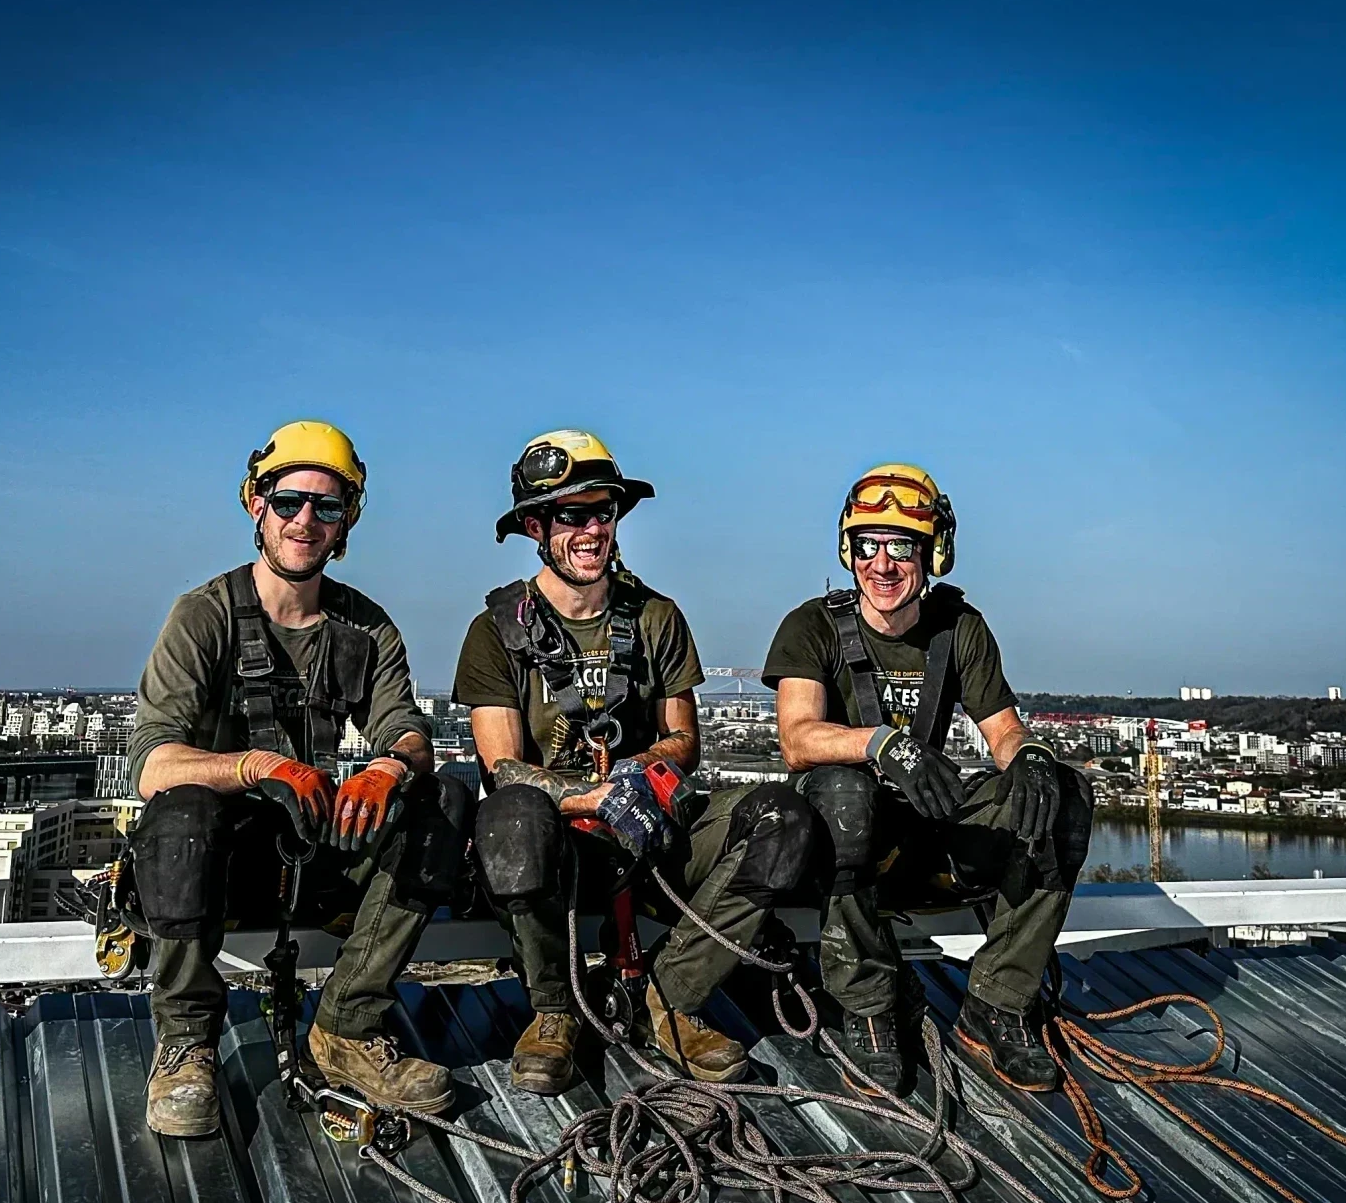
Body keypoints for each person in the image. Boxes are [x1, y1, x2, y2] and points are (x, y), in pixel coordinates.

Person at [122, 421, 471, 1138]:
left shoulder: (364, 630)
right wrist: (254, 766)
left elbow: (406, 729)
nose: (305, 520)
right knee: (183, 810)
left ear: (347, 521)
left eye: (326, 506)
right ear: (258, 506)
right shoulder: (205, 617)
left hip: (314, 857)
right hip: (220, 865)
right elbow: (152, 763)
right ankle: (186, 1040)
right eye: (289, 502)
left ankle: (347, 1024)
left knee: (444, 798)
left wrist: (389, 765)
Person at [457, 430, 817, 1093]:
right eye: (572, 515)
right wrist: (594, 798)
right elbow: (502, 768)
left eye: (603, 511)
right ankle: (554, 1009)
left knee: (782, 817)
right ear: (536, 527)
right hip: (553, 857)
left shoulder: (654, 618)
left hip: (649, 843)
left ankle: (673, 997)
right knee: (512, 815)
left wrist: (640, 773)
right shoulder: (496, 633)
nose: (593, 529)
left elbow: (683, 738)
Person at [762, 464, 1092, 1095]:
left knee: (1065, 796)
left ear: (933, 553)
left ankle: (999, 1001)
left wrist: (1031, 756)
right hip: (840, 850)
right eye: (868, 546)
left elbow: (1003, 732)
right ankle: (869, 1004)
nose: (882, 564)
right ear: (848, 552)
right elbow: (798, 738)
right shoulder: (813, 626)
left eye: (902, 547)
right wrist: (880, 744)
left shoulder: (958, 628)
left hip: (927, 836)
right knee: (843, 792)